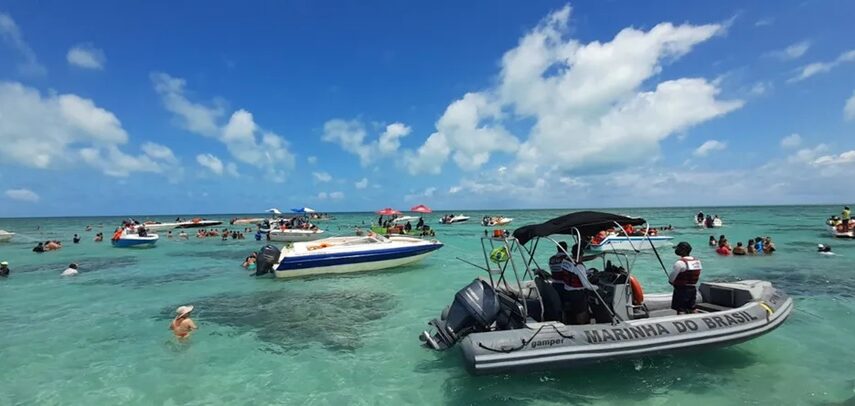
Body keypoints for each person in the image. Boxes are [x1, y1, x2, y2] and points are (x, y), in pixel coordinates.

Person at [555, 243, 597, 325]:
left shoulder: (565, 261)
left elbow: (573, 272)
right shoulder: (579, 266)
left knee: (573, 312)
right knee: (581, 314)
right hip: (577, 293)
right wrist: (597, 287)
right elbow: (587, 285)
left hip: (566, 291)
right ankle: (583, 326)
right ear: (582, 253)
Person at [669, 242, 702, 314]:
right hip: (693, 289)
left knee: (681, 309)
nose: (676, 250)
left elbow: (671, 278)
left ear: (683, 250)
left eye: (678, 248)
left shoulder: (679, 263)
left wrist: (671, 282)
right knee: (692, 308)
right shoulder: (697, 261)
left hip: (681, 290)